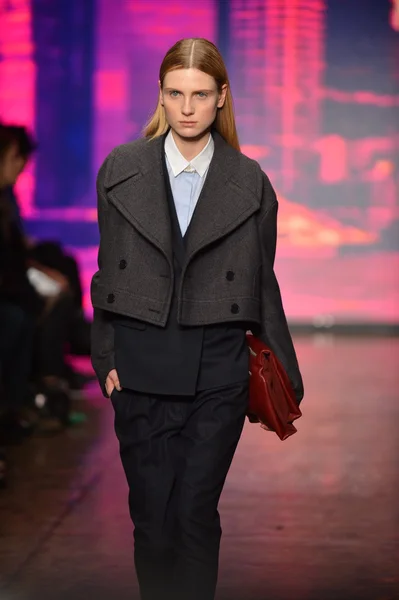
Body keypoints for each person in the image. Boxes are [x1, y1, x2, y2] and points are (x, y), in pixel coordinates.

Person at [91, 37, 304, 600]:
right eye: (175, 93)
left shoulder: (249, 182)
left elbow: (263, 281)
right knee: (153, 522)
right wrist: (106, 358)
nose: (186, 107)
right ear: (160, 97)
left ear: (221, 98)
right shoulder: (121, 169)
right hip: (139, 364)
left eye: (200, 94)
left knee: (193, 514)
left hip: (218, 369)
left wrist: (281, 371)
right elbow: (107, 271)